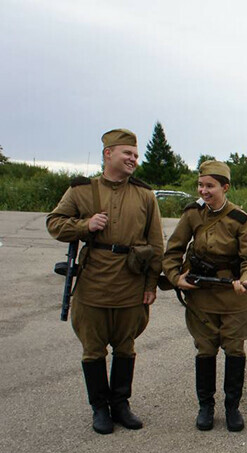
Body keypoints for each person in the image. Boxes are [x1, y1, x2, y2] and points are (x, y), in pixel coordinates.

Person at [46, 128, 164, 434]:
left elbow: (156, 243)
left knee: (126, 347)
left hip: (131, 283)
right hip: (93, 285)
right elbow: (55, 223)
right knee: (93, 349)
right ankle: (99, 407)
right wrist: (85, 225)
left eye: (136, 155)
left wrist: (151, 284)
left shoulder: (145, 195)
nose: (133, 160)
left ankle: (121, 404)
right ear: (108, 154)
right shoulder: (81, 191)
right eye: (127, 153)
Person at [162, 160, 247, 432]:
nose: (204, 191)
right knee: (205, 349)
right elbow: (173, 251)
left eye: (210, 186)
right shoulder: (192, 215)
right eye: (200, 185)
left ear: (225, 187)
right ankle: (205, 407)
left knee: (234, 349)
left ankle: (232, 408)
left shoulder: (240, 219)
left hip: (233, 297)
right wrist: (176, 277)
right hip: (201, 296)